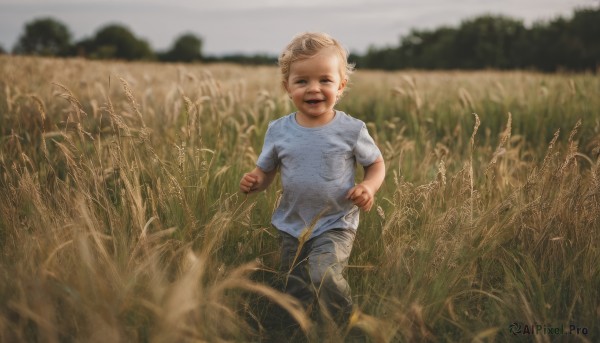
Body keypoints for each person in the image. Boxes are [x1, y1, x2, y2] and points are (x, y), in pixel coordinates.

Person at [239, 32, 385, 330]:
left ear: (341, 85)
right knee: (295, 288)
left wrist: (368, 187)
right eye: (302, 81)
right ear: (287, 87)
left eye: (325, 80)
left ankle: (347, 323)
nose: (313, 88)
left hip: (335, 222)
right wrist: (256, 179)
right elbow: (266, 171)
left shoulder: (351, 129)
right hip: (291, 224)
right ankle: (299, 329)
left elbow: (376, 164)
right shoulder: (279, 130)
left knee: (324, 274)